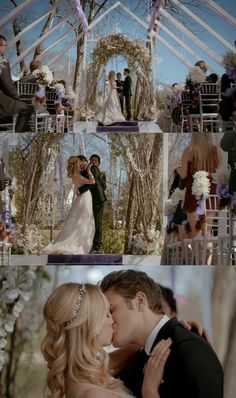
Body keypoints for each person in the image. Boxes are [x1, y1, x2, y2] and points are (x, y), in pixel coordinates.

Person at [100, 269, 224, 398]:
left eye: (111, 310)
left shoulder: (190, 348)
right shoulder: (138, 358)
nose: (107, 320)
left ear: (140, 301)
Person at [42, 282, 171, 398]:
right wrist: (150, 391)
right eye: (107, 313)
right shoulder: (93, 394)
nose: (112, 320)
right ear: (90, 324)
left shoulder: (83, 371)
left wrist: (170, 327)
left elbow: (139, 343)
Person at [43, 156, 95, 254]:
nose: (81, 163)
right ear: (76, 164)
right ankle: (79, 243)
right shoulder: (76, 175)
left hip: (83, 197)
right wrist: (88, 170)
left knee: (83, 220)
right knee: (83, 220)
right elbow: (92, 181)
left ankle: (83, 243)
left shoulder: (76, 174)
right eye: (79, 162)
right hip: (84, 198)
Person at [177, 132, 221, 238]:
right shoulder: (215, 150)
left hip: (193, 194)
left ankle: (198, 253)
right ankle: (207, 252)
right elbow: (217, 168)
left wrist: (178, 170)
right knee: (207, 233)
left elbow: (183, 175)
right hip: (211, 195)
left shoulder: (188, 150)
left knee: (196, 233)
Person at [0, 34, 34, 132]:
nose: (6, 48)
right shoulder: (2, 61)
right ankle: (18, 133)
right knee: (27, 108)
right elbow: (7, 85)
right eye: (4, 45)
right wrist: (17, 97)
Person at [78, 154, 107, 253]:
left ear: (98, 163)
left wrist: (81, 190)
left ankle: (98, 246)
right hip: (91, 199)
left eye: (96, 160)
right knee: (92, 223)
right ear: (90, 160)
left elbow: (96, 184)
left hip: (98, 200)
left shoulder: (94, 169)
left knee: (97, 223)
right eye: (92, 159)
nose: (94, 161)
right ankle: (91, 244)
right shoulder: (89, 169)